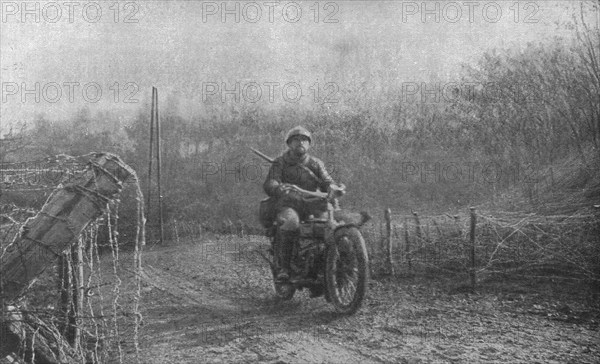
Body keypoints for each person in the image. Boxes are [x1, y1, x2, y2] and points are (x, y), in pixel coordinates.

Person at [263, 126, 336, 281]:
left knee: (329, 227)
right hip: (289, 203)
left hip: (312, 203)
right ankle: (284, 268)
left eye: (304, 140)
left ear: (309, 144)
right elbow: (271, 182)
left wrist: (331, 187)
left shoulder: (316, 163)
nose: (300, 142)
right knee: (291, 223)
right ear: (289, 144)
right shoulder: (280, 162)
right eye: (296, 140)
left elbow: (327, 180)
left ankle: (328, 267)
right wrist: (277, 187)